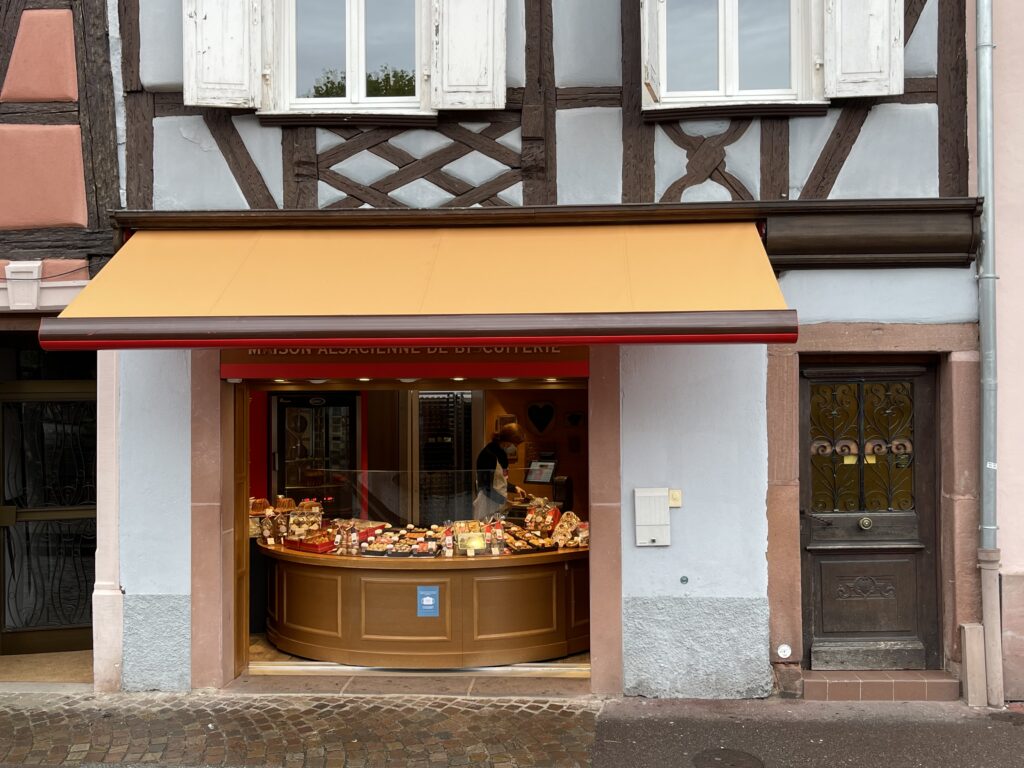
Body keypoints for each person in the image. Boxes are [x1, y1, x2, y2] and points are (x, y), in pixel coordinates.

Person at [472, 423, 525, 520]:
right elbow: (484, 487)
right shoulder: (488, 455)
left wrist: (514, 488)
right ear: (507, 441)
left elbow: (500, 479)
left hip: (498, 507)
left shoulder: (502, 455)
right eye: (515, 444)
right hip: (486, 508)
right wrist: (505, 501)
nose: (516, 448)